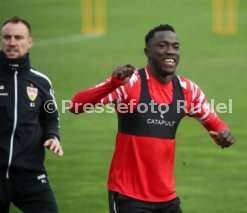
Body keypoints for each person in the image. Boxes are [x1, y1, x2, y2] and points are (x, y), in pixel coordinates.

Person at [69, 24, 235, 213]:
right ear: (148, 52)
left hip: (167, 199)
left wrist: (223, 135)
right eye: (162, 46)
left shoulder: (188, 90)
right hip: (128, 197)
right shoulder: (129, 82)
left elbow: (216, 125)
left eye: (175, 46)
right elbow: (75, 106)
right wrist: (112, 84)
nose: (170, 52)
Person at [0, 16, 64, 213]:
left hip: (30, 174)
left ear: (30, 42)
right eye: (7, 37)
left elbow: (51, 117)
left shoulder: (41, 82)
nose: (12, 43)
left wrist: (53, 137)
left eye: (18, 38)